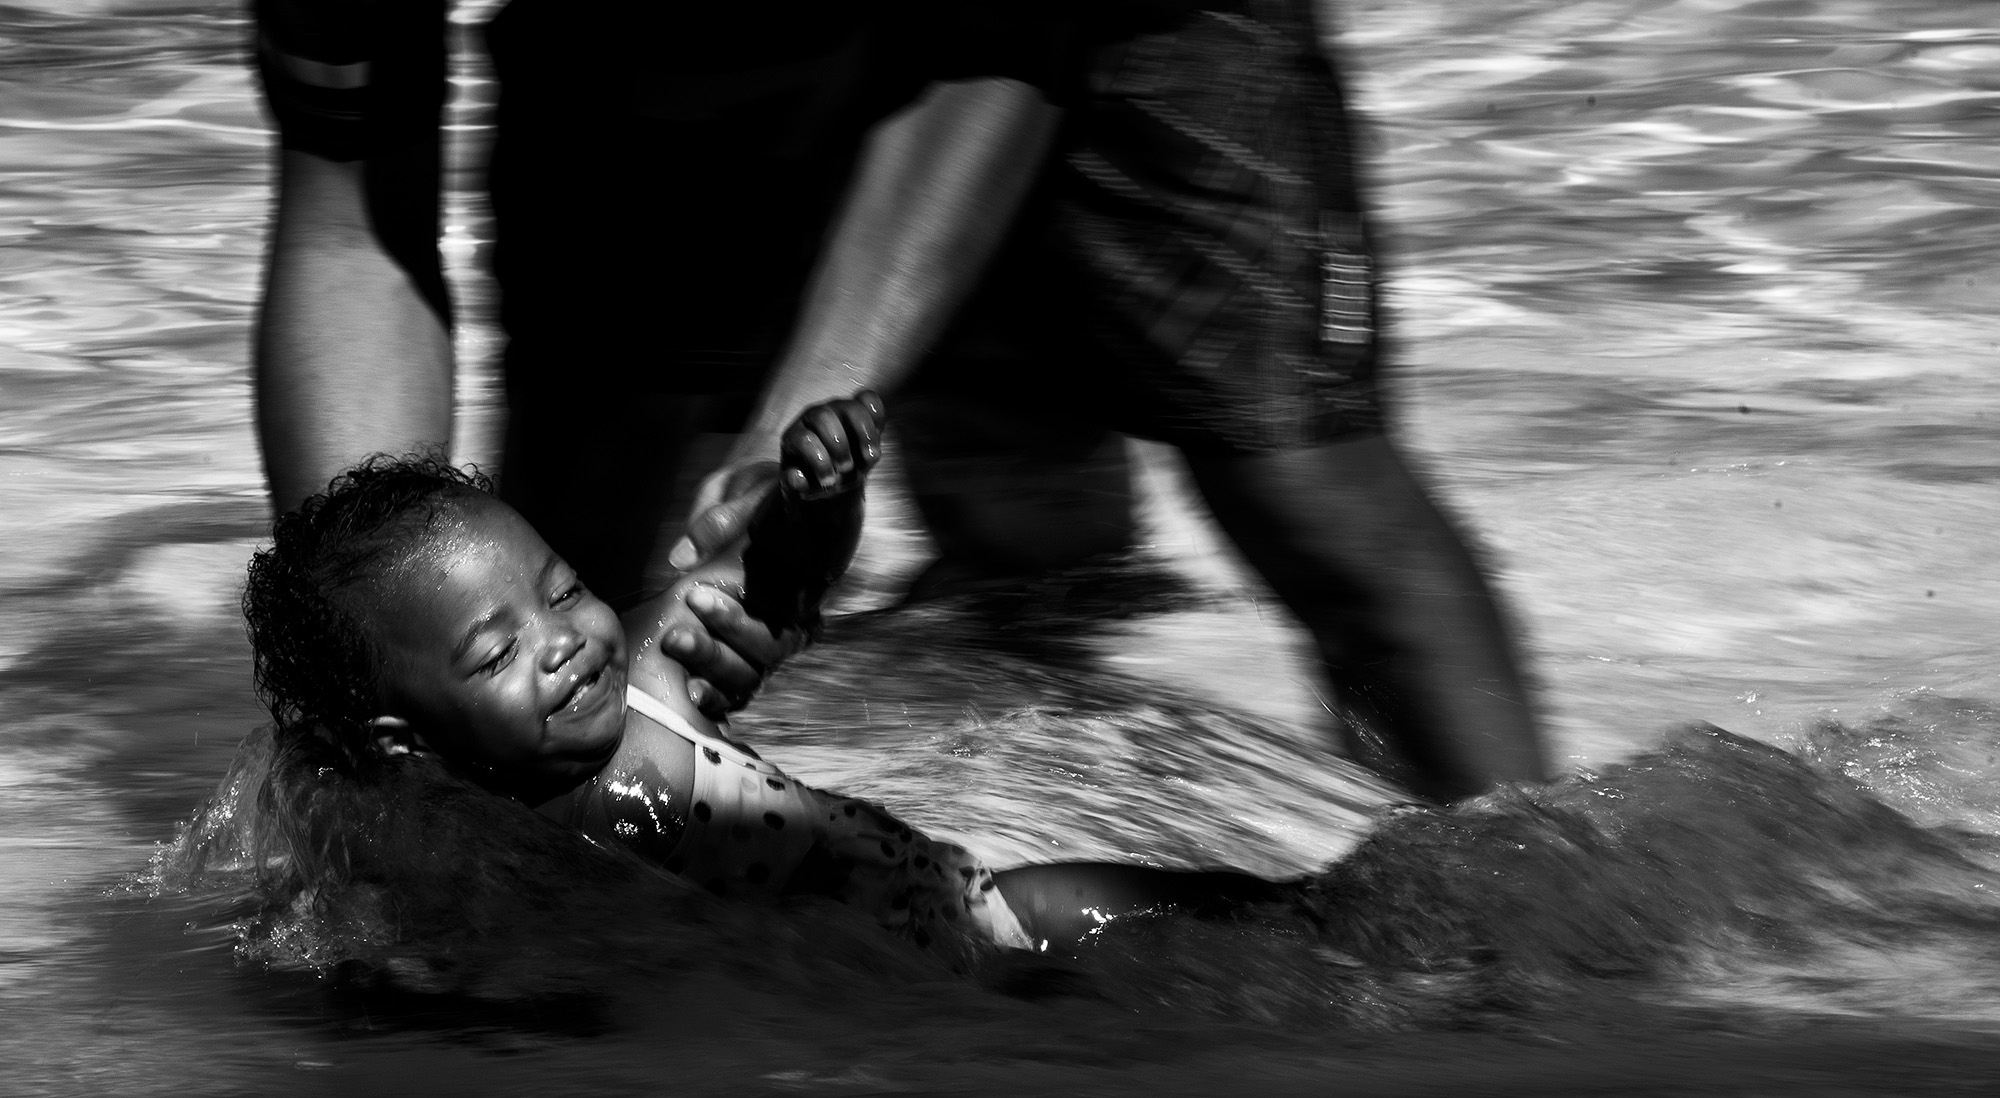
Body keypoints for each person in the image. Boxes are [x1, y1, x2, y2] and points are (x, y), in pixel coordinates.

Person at [250, 0, 1548, 804]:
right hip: (657, 52)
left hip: (1065, 23)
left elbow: (1003, 48)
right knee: (605, 540)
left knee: (1303, 490)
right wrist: (344, 687)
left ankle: (1542, 934)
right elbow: (347, 224)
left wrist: (795, 426)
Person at [240, 397, 1289, 962]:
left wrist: (814, 495)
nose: (562, 641)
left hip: (983, 916)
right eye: (495, 652)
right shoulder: (463, 851)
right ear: (403, 740)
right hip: (896, 1010)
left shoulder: (651, 675)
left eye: (562, 592)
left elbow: (782, 581)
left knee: (1254, 932)